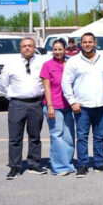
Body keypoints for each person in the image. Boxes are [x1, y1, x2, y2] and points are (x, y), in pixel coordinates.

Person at [0, 37, 47, 179]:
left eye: (30, 46)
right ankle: (15, 166)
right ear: (20, 48)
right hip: (17, 104)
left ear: (34, 47)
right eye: (24, 46)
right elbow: (3, 85)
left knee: (35, 136)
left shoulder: (42, 61)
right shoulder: (11, 64)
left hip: (36, 103)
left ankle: (34, 164)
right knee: (15, 137)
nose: (27, 48)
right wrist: (14, 98)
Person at [61, 32, 103, 178]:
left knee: (99, 136)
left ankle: (99, 163)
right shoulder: (73, 61)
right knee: (82, 137)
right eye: (84, 42)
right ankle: (82, 164)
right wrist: (72, 101)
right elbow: (65, 83)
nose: (87, 44)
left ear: (95, 43)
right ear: (80, 44)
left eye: (90, 42)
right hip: (82, 106)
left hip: (101, 105)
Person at [40, 39, 75, 176]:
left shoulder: (71, 63)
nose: (58, 52)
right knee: (56, 136)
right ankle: (59, 167)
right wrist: (50, 106)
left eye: (60, 49)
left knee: (69, 137)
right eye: (55, 49)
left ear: (65, 49)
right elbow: (47, 88)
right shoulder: (47, 65)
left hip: (69, 106)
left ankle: (68, 163)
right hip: (54, 105)